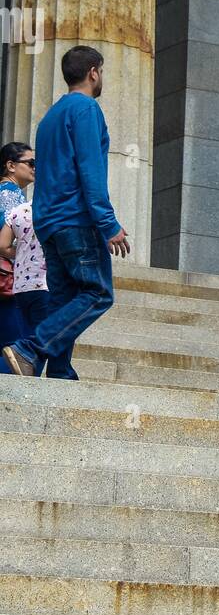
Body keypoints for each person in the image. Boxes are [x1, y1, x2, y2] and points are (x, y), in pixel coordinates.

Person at [2, 45, 130, 379]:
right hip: (76, 221)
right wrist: (107, 222)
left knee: (62, 301)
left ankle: (59, 373)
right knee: (98, 293)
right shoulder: (86, 109)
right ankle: (29, 348)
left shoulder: (49, 118)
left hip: (50, 223)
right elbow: (89, 168)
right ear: (93, 72)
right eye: (101, 71)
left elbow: (48, 174)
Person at [0, 198, 75, 378]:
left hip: (21, 289)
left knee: (27, 337)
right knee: (41, 343)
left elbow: (2, 246)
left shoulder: (18, 211)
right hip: (46, 285)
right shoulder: (59, 210)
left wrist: (24, 253)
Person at [0, 142, 35, 355]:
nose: (35, 167)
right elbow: (5, 243)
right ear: (11, 165)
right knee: (15, 346)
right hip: (7, 280)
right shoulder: (10, 194)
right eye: (30, 162)